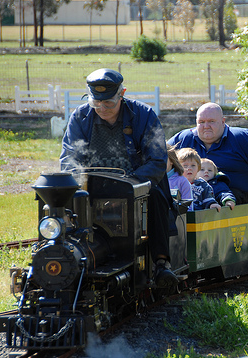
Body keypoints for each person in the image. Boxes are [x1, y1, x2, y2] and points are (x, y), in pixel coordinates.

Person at [60, 68, 178, 292]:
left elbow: (157, 161)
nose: (102, 109)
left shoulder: (144, 115)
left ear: (122, 94)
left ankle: (162, 262)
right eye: (96, 103)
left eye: (109, 104)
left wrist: (130, 184)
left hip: (136, 183)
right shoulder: (79, 116)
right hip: (91, 186)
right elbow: (68, 157)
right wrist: (77, 181)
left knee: (155, 196)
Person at [168, 102, 248, 216]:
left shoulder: (245, 138)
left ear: (223, 121)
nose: (206, 126)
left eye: (211, 121)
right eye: (201, 122)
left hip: (237, 208)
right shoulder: (182, 139)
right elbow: (161, 160)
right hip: (191, 206)